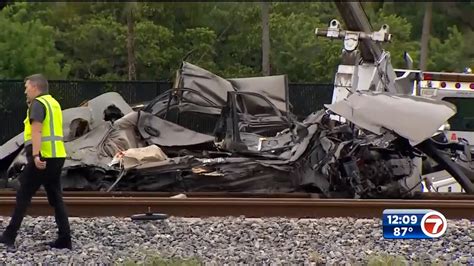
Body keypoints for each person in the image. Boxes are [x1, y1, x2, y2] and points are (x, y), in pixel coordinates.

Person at [0, 74, 72, 251]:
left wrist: (36, 155)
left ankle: (9, 236)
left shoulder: (38, 104)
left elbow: (37, 131)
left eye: (27, 87)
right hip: (58, 156)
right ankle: (65, 238)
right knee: (56, 197)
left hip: (44, 157)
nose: (25, 90)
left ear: (35, 87)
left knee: (23, 193)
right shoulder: (53, 103)